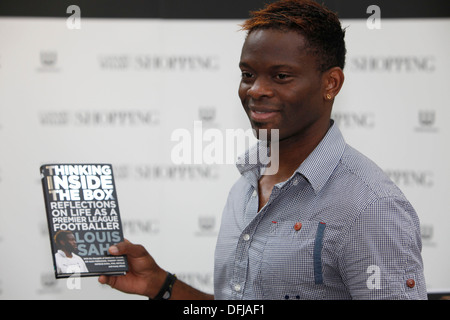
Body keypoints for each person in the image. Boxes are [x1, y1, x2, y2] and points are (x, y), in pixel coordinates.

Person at [98, 0, 427, 299]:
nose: (256, 90)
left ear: (331, 84)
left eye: (281, 76)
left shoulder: (371, 207)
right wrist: (160, 284)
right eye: (247, 74)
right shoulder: (244, 187)